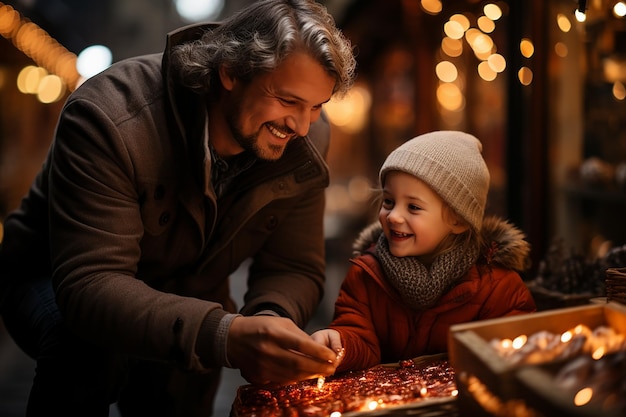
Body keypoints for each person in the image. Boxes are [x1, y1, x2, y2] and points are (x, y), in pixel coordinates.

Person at [0, 0, 356, 416]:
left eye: (317, 106)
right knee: (83, 351)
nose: (301, 125)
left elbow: (293, 265)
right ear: (230, 71)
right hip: (53, 277)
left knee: (181, 391)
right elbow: (90, 285)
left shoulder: (307, 138)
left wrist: (270, 321)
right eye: (287, 100)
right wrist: (225, 334)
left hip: (193, 288)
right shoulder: (109, 116)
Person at [312, 131, 536, 372]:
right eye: (388, 201)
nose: (394, 216)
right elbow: (359, 337)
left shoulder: (496, 287)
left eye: (414, 207)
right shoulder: (366, 275)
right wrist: (340, 343)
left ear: (458, 221)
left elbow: (517, 354)